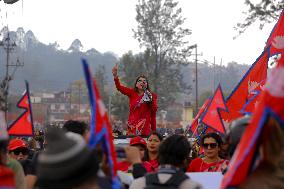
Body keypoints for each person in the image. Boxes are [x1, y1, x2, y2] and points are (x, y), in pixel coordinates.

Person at [130, 134, 202, 189]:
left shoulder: (137, 184)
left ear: (160, 154)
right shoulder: (192, 186)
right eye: (150, 140)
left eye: (156, 141)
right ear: (184, 160)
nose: (152, 143)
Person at [112, 64, 157, 136]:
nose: (142, 82)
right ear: (136, 84)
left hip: (144, 130)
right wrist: (115, 76)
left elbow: (153, 114)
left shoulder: (151, 96)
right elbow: (119, 87)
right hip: (132, 129)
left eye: (144, 81)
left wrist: (154, 132)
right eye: (139, 81)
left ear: (147, 84)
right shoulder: (132, 93)